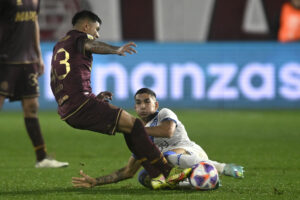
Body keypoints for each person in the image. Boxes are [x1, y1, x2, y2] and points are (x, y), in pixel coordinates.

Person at [50, 10, 191, 190]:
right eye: (96, 29)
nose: (97, 34)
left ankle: (157, 175)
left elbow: (59, 80)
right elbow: (93, 45)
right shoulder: (80, 38)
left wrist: (90, 99)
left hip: (70, 108)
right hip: (81, 104)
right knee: (137, 126)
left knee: (131, 128)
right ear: (86, 26)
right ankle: (165, 171)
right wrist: (115, 49)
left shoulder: (59, 46)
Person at [71, 88, 244, 189]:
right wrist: (96, 181)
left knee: (167, 156)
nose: (143, 106)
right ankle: (197, 182)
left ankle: (219, 168)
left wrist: (137, 131)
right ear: (135, 107)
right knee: (144, 177)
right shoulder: (139, 132)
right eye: (138, 103)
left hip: (192, 153)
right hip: (174, 166)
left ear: (156, 104)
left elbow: (167, 131)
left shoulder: (163, 113)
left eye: (147, 101)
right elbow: (128, 171)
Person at [0, 0, 68, 168]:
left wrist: (38, 55)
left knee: (32, 106)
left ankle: (42, 158)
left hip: (27, 60)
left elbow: (34, 23)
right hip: (5, 59)